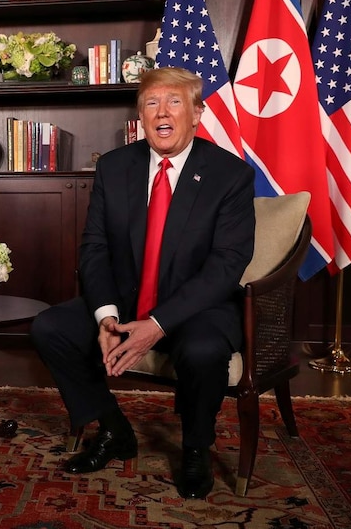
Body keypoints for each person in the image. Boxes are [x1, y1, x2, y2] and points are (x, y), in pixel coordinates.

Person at [30, 67, 255, 499]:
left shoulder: (230, 175)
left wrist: (159, 322)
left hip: (197, 309)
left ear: (197, 114)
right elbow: (94, 247)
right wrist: (107, 316)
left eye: (174, 102)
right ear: (140, 116)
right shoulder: (115, 167)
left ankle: (195, 449)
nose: (162, 112)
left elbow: (227, 265)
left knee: (204, 350)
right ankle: (114, 430)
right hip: (127, 301)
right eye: (151, 103)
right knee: (50, 327)